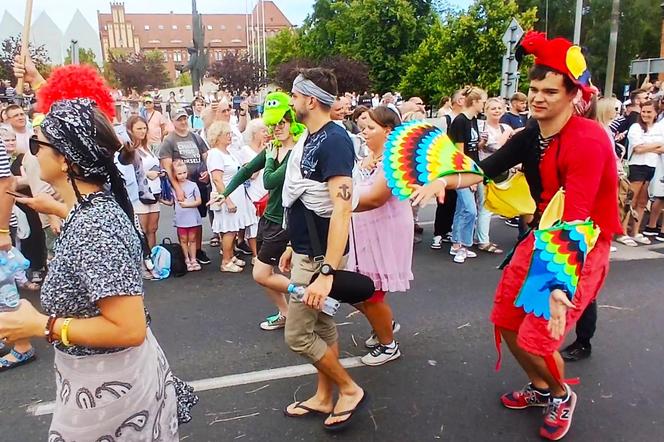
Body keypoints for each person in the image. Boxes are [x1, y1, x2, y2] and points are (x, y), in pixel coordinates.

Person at [413, 32, 621, 441]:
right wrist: (442, 179)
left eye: (549, 91)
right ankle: (542, 387)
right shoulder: (530, 134)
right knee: (506, 318)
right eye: (533, 89)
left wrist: (561, 283)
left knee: (539, 334)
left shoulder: (589, 139)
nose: (538, 97)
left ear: (573, 95)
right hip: (544, 234)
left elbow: (576, 215)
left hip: (580, 244)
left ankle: (561, 394)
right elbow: (484, 169)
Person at [0, 93, 197, 438]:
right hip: (102, 383)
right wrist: (61, 210)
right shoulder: (92, 209)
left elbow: (128, 328)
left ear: (65, 159)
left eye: (37, 143)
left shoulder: (96, 225)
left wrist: (42, 325)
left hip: (109, 392)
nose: (31, 151)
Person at [279, 68, 367, 431]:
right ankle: (323, 395)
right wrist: (290, 244)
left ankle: (348, 388)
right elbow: (302, 197)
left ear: (311, 100)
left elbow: (341, 207)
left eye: (296, 96)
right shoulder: (312, 138)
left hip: (319, 258)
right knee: (323, 323)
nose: (292, 102)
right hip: (306, 249)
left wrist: (326, 273)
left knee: (298, 334)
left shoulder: (334, 141)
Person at [216, 92, 306, 329]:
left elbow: (270, 181)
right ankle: (286, 312)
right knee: (268, 274)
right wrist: (224, 193)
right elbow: (246, 171)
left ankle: (304, 294)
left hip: (288, 220)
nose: (277, 129)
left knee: (262, 273)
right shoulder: (272, 149)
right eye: (273, 125)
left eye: (281, 123)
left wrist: (269, 157)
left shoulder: (296, 151)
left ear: (291, 120)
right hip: (269, 218)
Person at [351, 106, 413, 366]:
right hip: (365, 229)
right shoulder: (368, 156)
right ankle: (384, 324)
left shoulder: (393, 160)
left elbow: (377, 198)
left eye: (370, 128)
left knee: (371, 292)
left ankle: (388, 344)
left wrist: (338, 202)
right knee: (357, 290)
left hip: (385, 228)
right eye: (363, 128)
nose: (364, 132)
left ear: (388, 131)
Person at [159, 107, 211, 266]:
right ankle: (185, 254)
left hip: (198, 183)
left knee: (197, 218)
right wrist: (176, 187)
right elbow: (167, 167)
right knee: (183, 219)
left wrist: (208, 172)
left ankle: (197, 250)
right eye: (179, 119)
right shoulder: (169, 141)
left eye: (184, 118)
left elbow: (206, 156)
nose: (182, 122)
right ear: (173, 121)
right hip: (182, 185)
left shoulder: (195, 137)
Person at [206, 121, 257, 272]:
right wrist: (227, 200)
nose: (230, 136)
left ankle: (231, 255)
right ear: (218, 136)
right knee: (229, 230)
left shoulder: (228, 153)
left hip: (237, 195)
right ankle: (226, 261)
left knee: (233, 229)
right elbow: (217, 179)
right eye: (226, 134)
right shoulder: (215, 154)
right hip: (228, 197)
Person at [447, 86, 487, 263]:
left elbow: (471, 149)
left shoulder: (473, 121)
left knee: (464, 208)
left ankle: (457, 243)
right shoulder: (460, 121)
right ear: (476, 102)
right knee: (470, 209)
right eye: (483, 102)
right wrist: (468, 177)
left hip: (473, 168)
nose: (484, 106)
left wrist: (481, 144)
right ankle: (462, 244)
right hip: (462, 171)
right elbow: (459, 153)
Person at [476, 97, 513, 254]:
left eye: (499, 108)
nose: (497, 111)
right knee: (485, 206)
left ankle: (477, 237)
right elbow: (493, 148)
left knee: (486, 206)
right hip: (483, 170)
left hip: (500, 172)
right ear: (486, 111)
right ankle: (483, 241)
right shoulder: (482, 127)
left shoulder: (505, 127)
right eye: (493, 108)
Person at [625, 100, 664, 245]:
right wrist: (655, 146)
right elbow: (638, 149)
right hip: (637, 166)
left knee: (642, 202)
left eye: (649, 112)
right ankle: (623, 232)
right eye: (644, 111)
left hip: (652, 166)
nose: (646, 114)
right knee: (630, 201)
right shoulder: (636, 127)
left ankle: (635, 231)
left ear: (656, 113)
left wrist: (647, 146)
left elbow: (662, 147)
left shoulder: (659, 128)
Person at [126, 116, 162, 250]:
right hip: (139, 193)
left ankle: (152, 259)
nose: (142, 131)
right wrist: (146, 174)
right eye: (139, 128)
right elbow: (126, 170)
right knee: (142, 229)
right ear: (131, 130)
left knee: (153, 228)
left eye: (144, 128)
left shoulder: (148, 148)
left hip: (154, 191)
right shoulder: (129, 149)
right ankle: (143, 260)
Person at [167, 160, 203, 272]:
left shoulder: (193, 185)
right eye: (179, 173)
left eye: (184, 172)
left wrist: (188, 204)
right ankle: (186, 259)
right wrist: (160, 199)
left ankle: (193, 259)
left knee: (192, 239)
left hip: (192, 217)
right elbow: (171, 202)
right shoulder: (173, 188)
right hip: (181, 217)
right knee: (183, 239)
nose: (182, 176)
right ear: (174, 175)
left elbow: (199, 201)